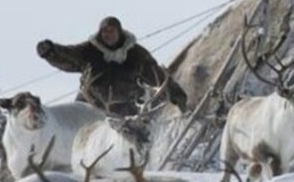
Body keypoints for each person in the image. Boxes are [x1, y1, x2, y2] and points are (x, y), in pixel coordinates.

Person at [37, 16, 188, 116]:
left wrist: (177, 95)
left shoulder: (135, 53)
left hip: (126, 110)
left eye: (111, 31)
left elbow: (157, 75)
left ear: (119, 32)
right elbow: (68, 56)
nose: (108, 35)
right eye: (104, 32)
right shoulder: (90, 50)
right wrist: (51, 52)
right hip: (90, 107)